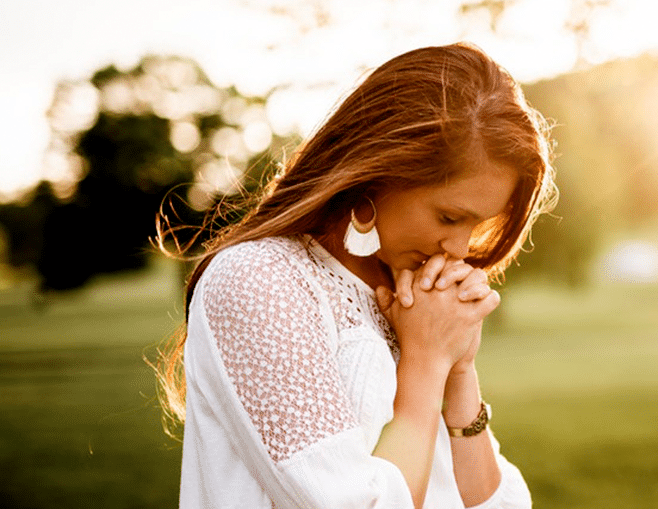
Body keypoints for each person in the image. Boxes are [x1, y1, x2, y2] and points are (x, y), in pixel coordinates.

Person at [154, 42, 557, 508]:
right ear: (377, 172)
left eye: (477, 224)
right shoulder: (260, 281)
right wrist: (425, 365)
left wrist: (459, 368)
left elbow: (500, 505)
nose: (461, 250)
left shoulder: (412, 295)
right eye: (449, 217)